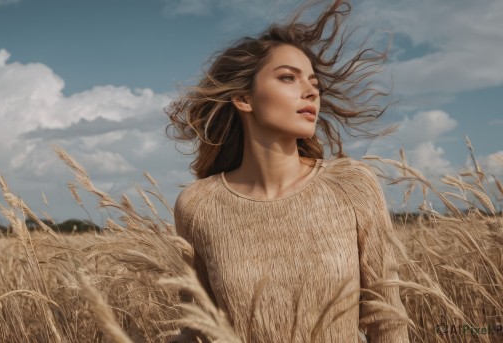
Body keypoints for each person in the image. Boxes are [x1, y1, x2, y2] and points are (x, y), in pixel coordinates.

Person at [165, 0, 410, 342]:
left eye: (314, 83)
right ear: (243, 99)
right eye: (287, 78)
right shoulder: (198, 205)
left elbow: (387, 322)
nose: (311, 91)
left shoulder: (353, 186)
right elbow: (198, 327)